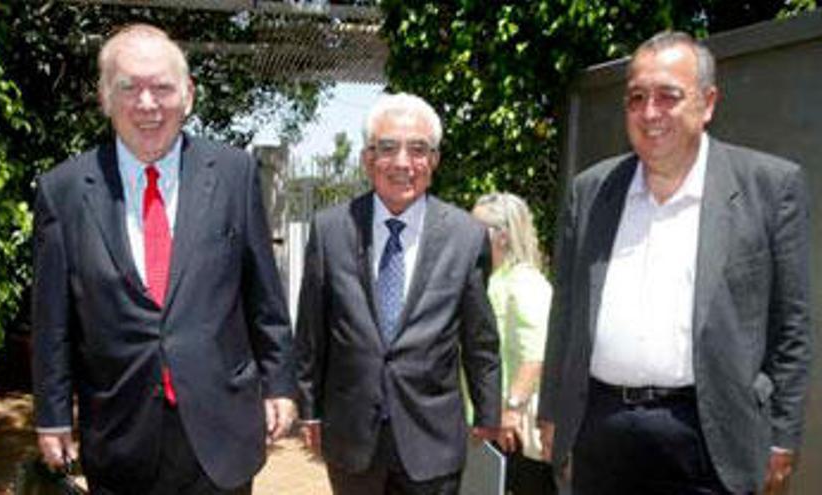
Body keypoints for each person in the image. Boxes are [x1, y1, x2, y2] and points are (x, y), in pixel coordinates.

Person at [537, 30, 813, 494]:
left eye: (668, 96)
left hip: (710, 436)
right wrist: (551, 411)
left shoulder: (770, 188)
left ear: (707, 103)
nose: (649, 113)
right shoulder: (592, 191)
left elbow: (792, 328)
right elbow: (565, 313)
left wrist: (781, 437)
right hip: (602, 433)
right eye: (637, 97)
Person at [31, 24, 296, 494]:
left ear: (188, 94)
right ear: (104, 98)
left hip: (221, 431)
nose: (147, 104)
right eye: (128, 87)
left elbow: (264, 296)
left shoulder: (235, 175)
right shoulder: (64, 190)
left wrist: (279, 384)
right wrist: (52, 416)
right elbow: (53, 320)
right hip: (120, 436)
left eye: (162, 87)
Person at [294, 92, 502, 494]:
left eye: (418, 149)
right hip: (353, 437)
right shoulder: (331, 230)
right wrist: (309, 410)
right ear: (368, 159)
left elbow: (480, 338)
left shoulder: (466, 236)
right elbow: (311, 332)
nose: (403, 163)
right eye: (387, 148)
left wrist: (488, 412)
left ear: (435, 160)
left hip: (432, 439)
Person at [472, 193, 557, 495]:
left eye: (475, 228)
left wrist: (511, 410)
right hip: (493, 424)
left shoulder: (525, 283)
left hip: (515, 427)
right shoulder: (491, 280)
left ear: (502, 236)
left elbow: (536, 354)